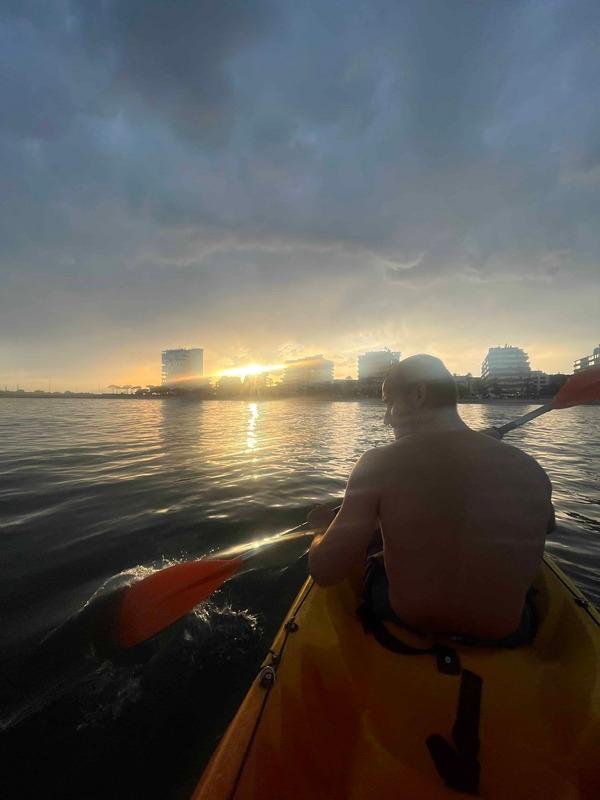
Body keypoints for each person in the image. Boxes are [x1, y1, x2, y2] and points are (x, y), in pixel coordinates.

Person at [308, 354, 554, 643]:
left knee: (374, 544)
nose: (386, 419)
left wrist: (321, 531)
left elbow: (325, 572)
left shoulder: (378, 463)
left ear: (419, 394)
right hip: (509, 631)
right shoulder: (530, 467)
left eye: (388, 403)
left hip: (408, 618)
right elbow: (546, 525)